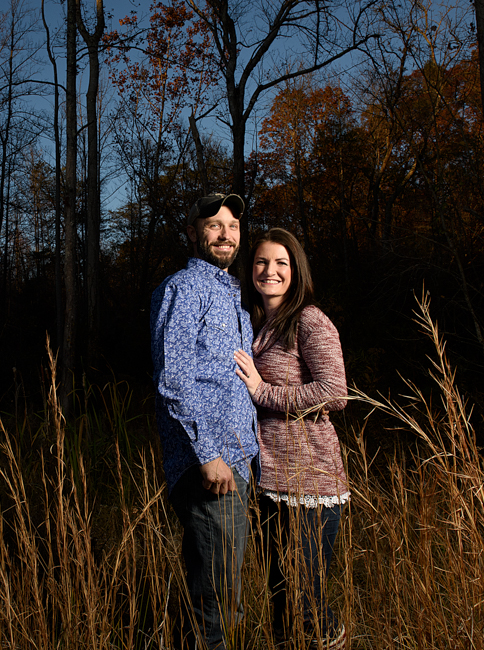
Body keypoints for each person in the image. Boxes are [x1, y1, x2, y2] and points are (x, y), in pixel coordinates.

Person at [150, 193, 259, 650]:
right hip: (210, 464)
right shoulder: (184, 288)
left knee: (222, 587)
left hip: (238, 459)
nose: (225, 234)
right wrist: (210, 453)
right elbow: (173, 376)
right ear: (193, 233)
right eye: (213, 225)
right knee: (216, 601)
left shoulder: (232, 293)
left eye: (232, 226)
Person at [233, 228, 349, 649]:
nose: (271, 271)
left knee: (308, 602)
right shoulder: (255, 323)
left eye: (281, 263)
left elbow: (335, 392)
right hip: (270, 481)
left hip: (311, 480)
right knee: (281, 598)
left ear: (295, 270)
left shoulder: (309, 319)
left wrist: (263, 392)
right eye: (262, 262)